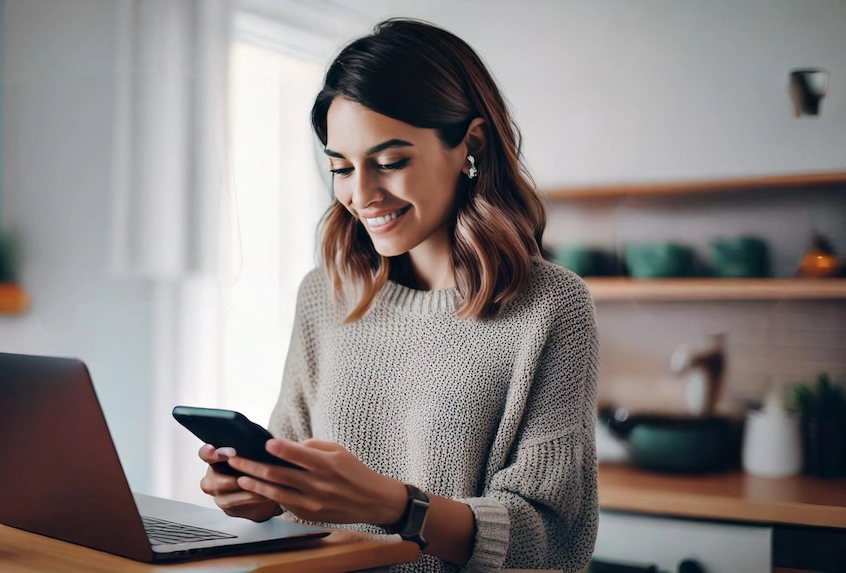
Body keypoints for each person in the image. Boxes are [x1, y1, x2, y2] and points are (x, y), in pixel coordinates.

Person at [198, 18, 599, 573]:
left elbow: (549, 542)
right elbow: (292, 476)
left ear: (470, 146)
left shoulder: (552, 308)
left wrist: (394, 507)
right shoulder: (324, 297)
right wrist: (260, 491)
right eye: (341, 167)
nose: (359, 195)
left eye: (389, 162)